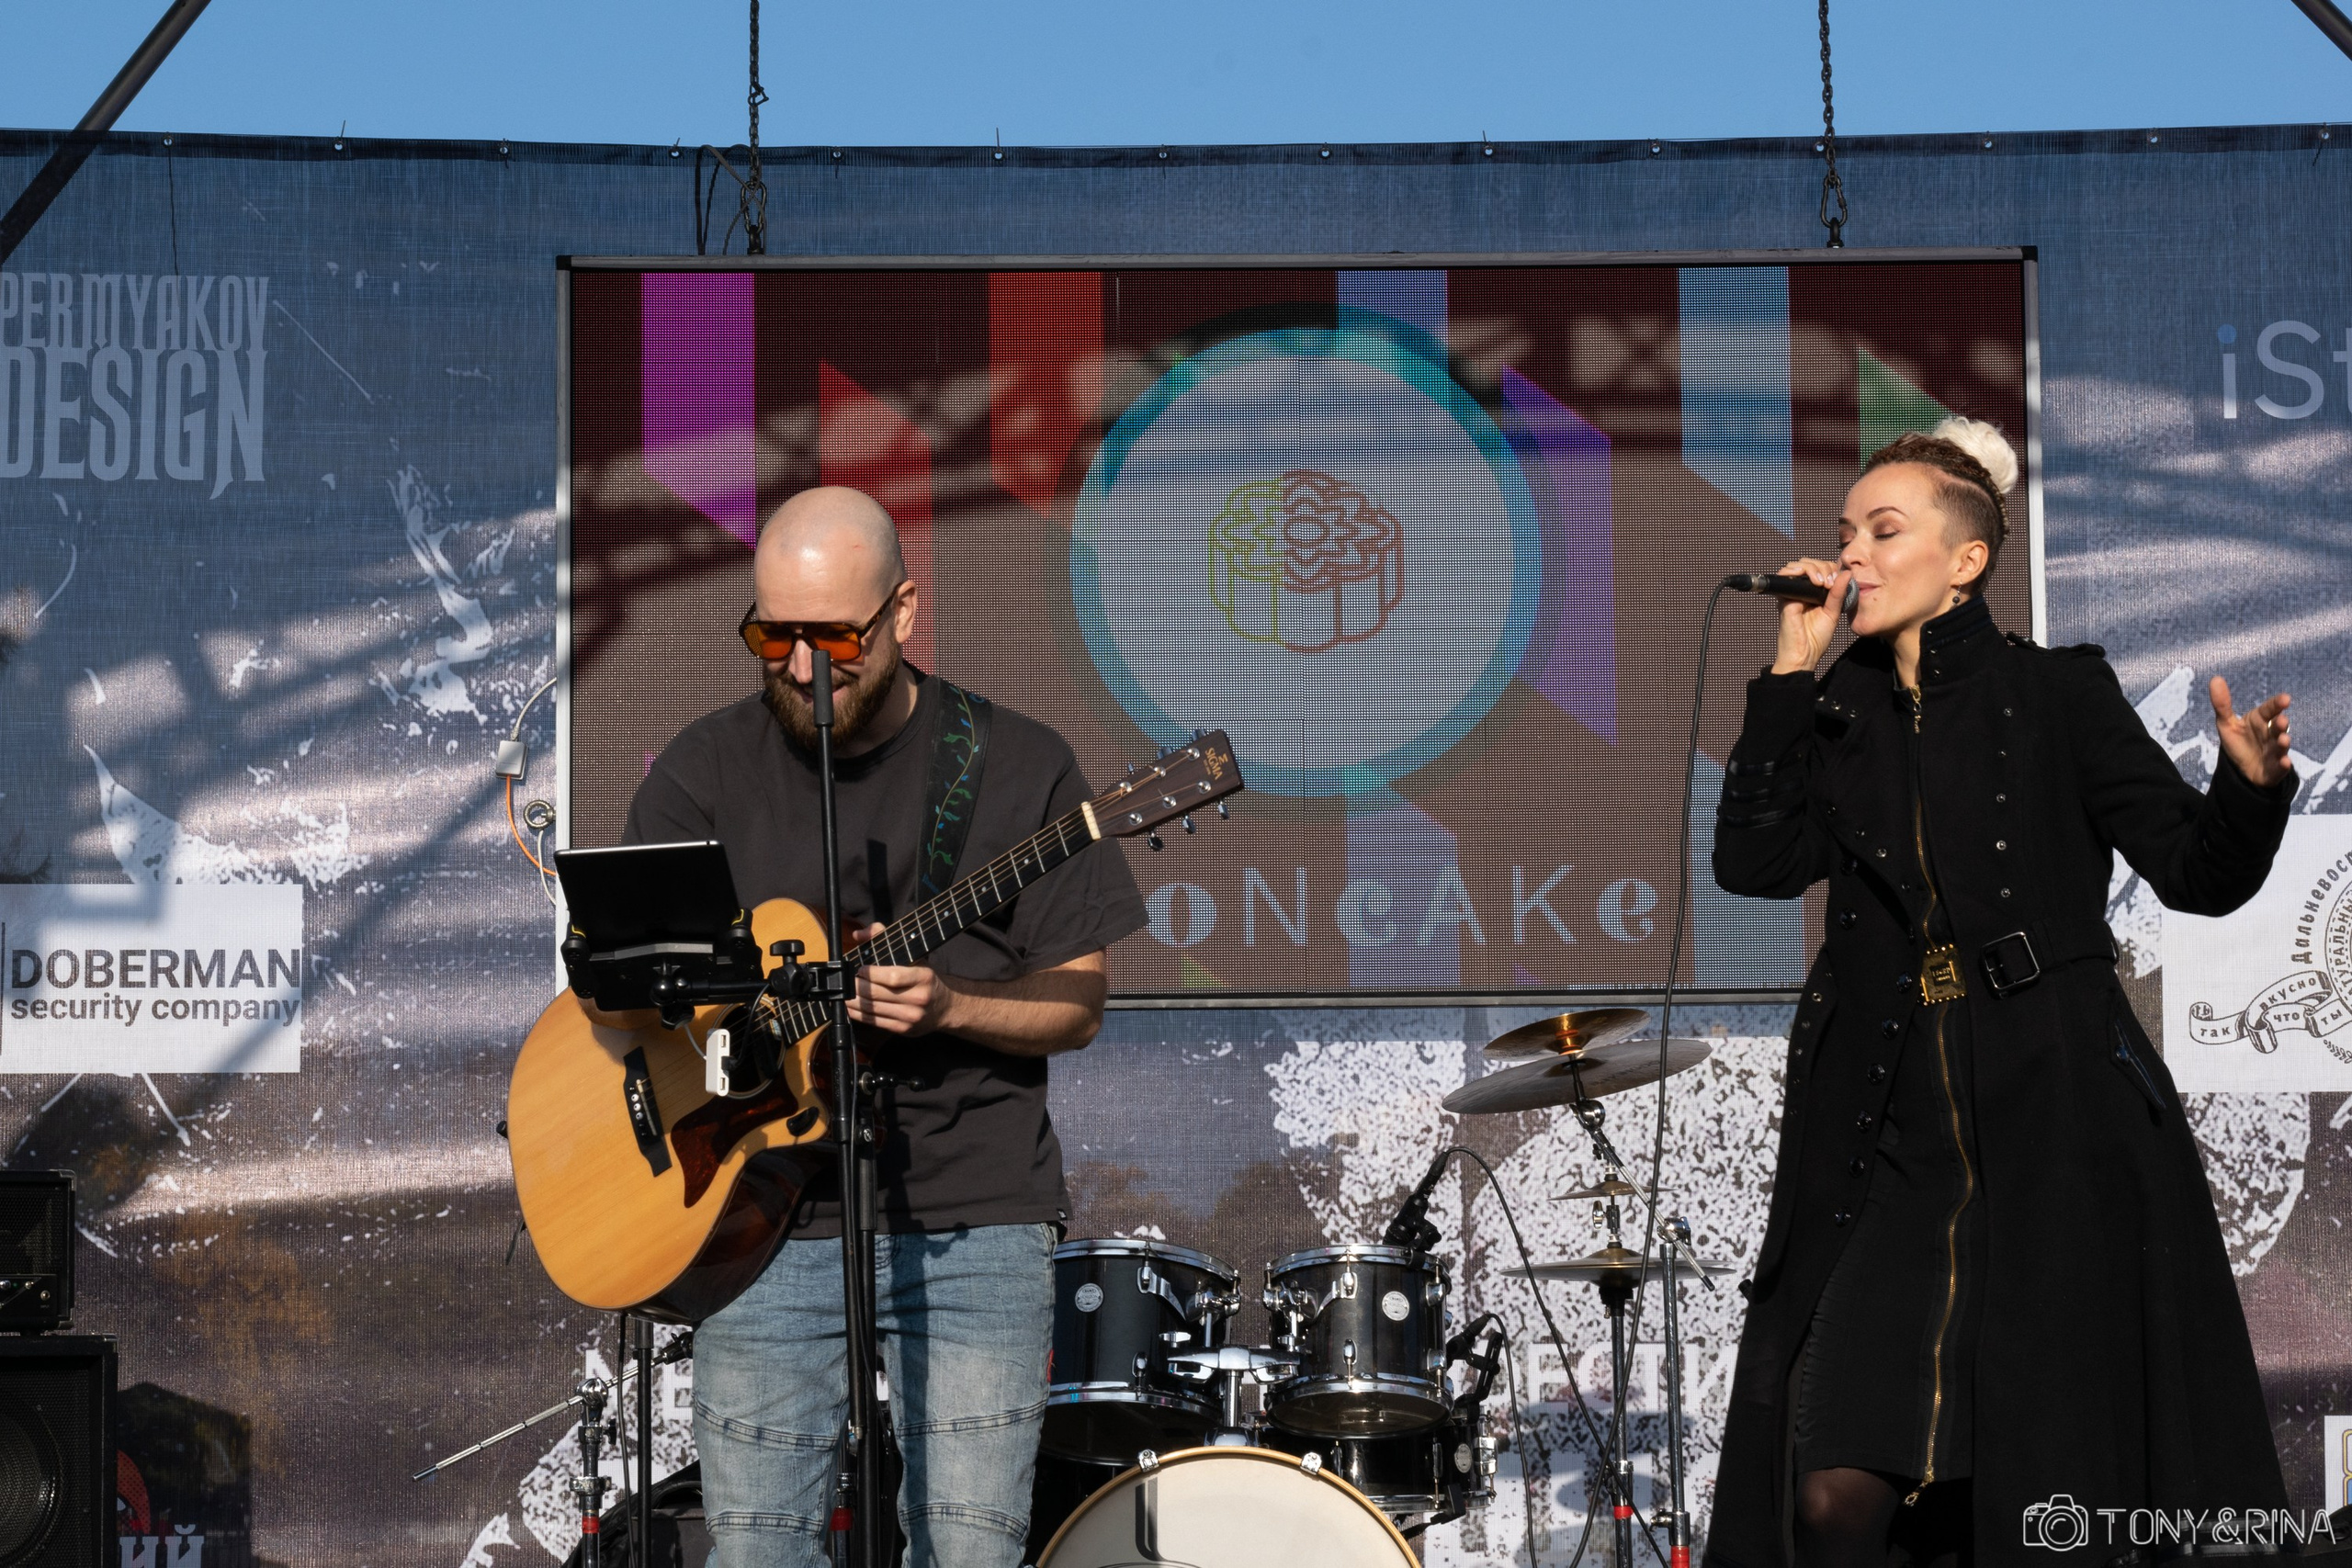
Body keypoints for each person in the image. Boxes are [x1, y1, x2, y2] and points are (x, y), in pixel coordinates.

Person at [1702, 420, 2297, 1568]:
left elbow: (2197, 871)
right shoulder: (1835, 713)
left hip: (2055, 1119)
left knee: (2040, 1503)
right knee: (1831, 1496)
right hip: (1885, 1131)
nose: (1852, 556)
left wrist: (2249, 790)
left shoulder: (2057, 693)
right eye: (1844, 534)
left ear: (1964, 560)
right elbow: (1754, 865)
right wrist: (1787, 670)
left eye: (1885, 531)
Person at [619, 486, 1147, 1568]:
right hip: (758, 1219)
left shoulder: (1016, 764)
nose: (806, 668)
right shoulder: (700, 770)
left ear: (902, 612)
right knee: (757, 1555)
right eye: (775, 637)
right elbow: (627, 988)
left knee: (966, 1552)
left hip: (971, 1216)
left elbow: (1079, 1005)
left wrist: (953, 1005)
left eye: (837, 640)